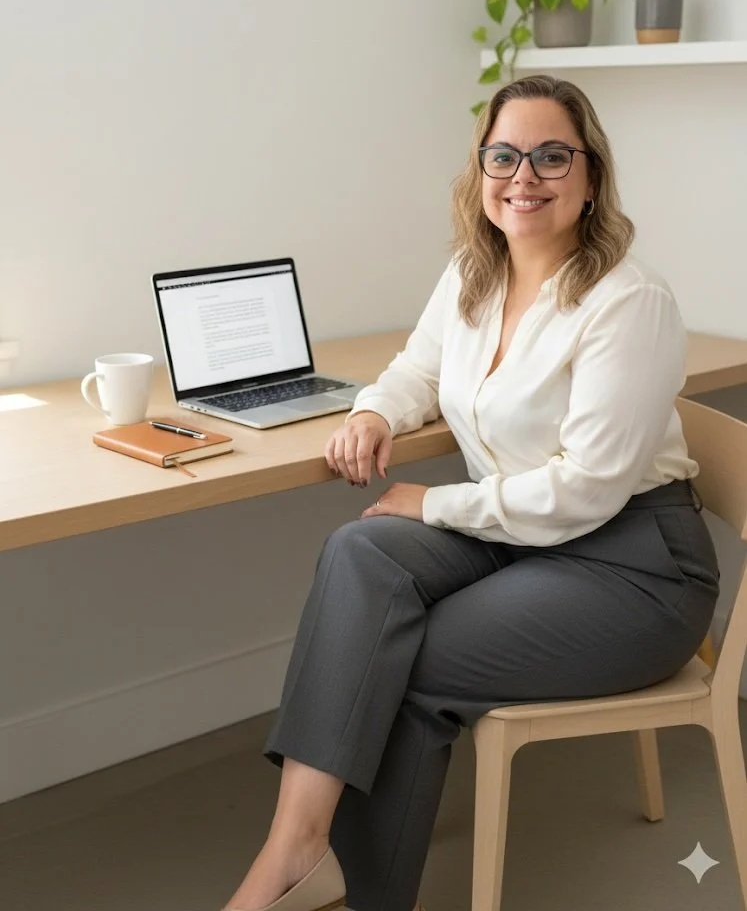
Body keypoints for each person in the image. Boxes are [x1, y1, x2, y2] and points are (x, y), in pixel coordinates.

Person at [222, 74, 720, 911]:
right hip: (523, 531)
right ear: (479, 171)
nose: (523, 176)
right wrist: (377, 410)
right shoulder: (471, 274)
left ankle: (347, 888)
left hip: (634, 567)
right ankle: (298, 852)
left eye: (550, 155)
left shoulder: (627, 302)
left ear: (590, 175)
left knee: (405, 655)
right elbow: (418, 366)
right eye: (503, 155)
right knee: (359, 554)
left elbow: (588, 490)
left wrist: (435, 503)